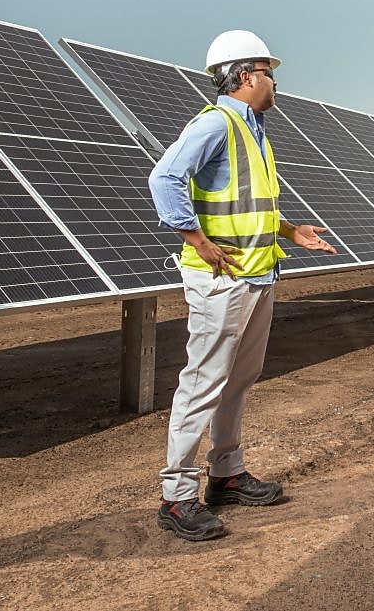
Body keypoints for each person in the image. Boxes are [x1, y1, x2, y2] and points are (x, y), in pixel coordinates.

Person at [148, 29, 337, 541]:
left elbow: (251, 205)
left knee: (239, 379)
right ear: (247, 76)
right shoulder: (216, 124)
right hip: (221, 277)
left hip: (256, 272)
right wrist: (197, 239)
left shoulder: (254, 130)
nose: (275, 83)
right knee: (203, 382)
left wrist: (291, 231)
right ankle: (177, 496)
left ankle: (226, 475)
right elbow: (163, 179)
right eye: (270, 73)